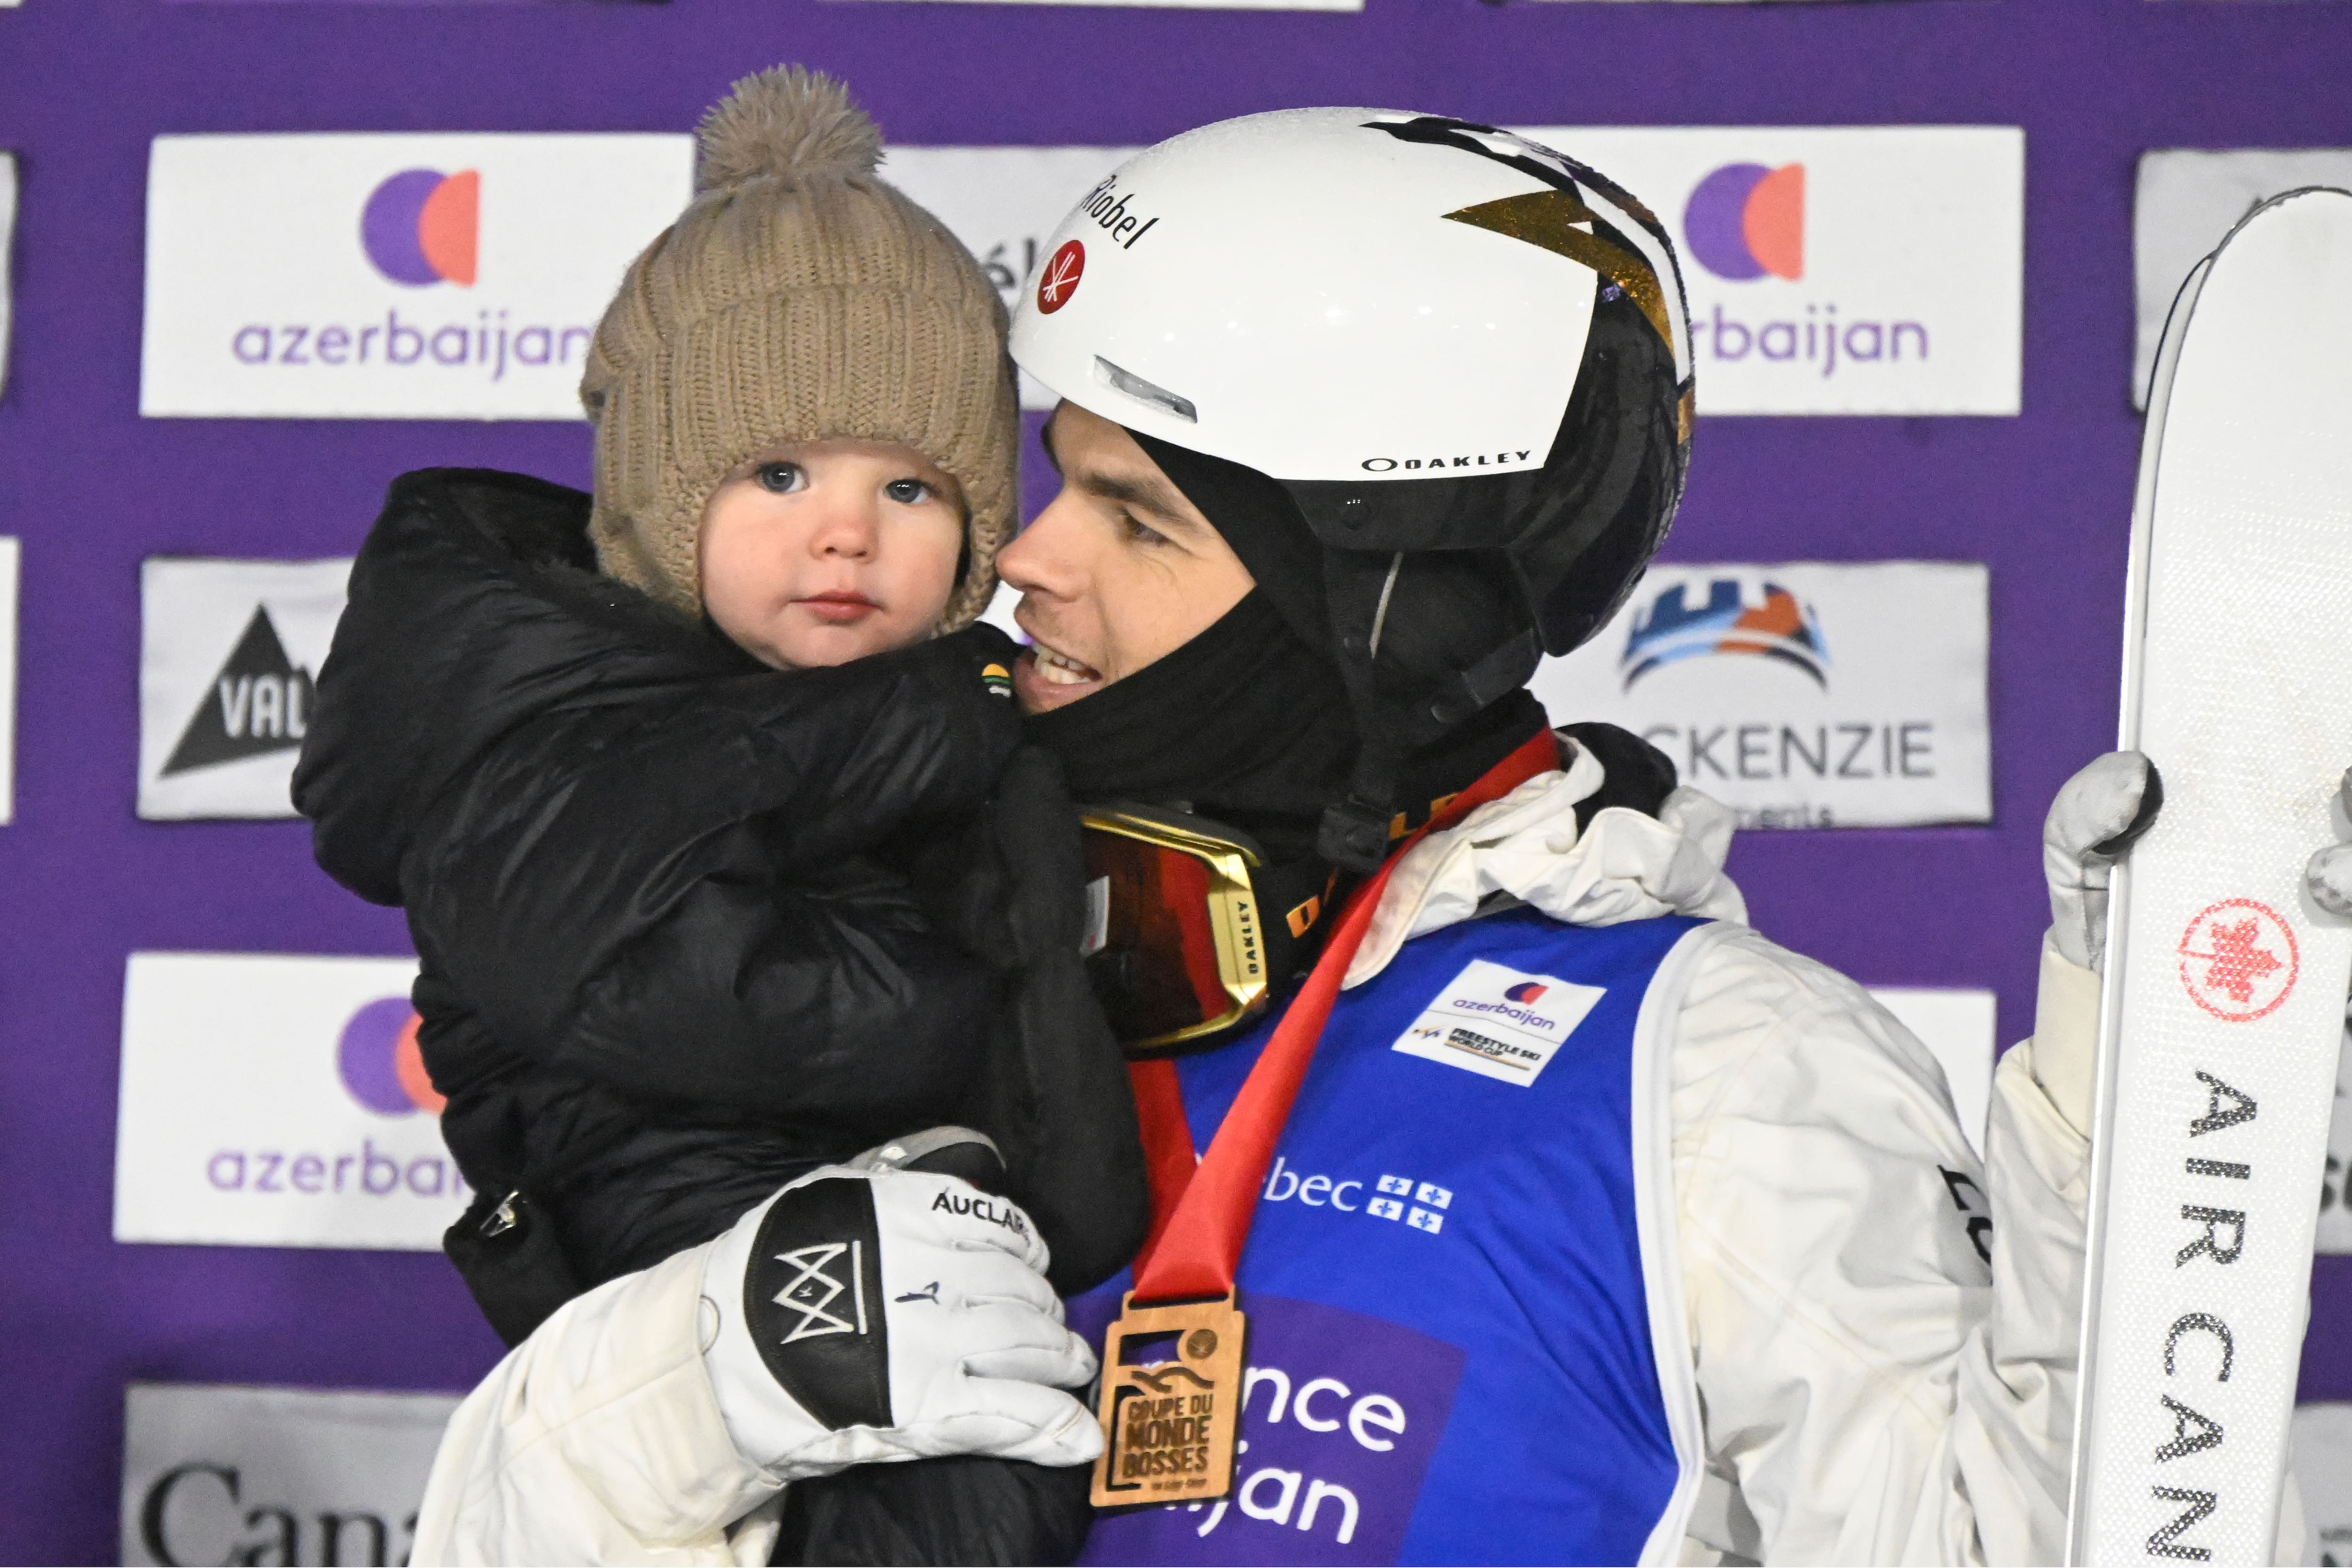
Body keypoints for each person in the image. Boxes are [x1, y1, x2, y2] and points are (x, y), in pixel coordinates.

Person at [379, 109, 2328, 1567]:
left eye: (1136, 520)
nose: (1019, 563)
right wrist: (704, 1381)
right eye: (1051, 482)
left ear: (1368, 613)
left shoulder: (1710, 1078)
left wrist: (2131, 1113)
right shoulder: (878, 937)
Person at [293, 66, 1144, 1565]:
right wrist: (978, 987)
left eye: (914, 490)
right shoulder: (547, 714)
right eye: (778, 473)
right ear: (657, 500)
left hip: (926, 1303)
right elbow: (664, 989)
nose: (845, 530)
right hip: (697, 1318)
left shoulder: (961, 707)